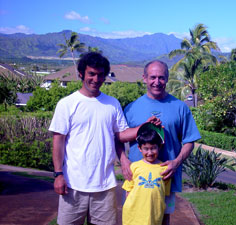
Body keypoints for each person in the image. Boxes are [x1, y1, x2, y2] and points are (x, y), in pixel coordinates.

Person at [49, 52, 159, 225]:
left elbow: (121, 135)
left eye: (100, 74)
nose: (96, 78)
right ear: (81, 74)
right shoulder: (67, 104)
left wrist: (144, 126)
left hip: (105, 186)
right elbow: (58, 140)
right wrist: (58, 174)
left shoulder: (112, 103)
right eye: (91, 73)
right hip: (73, 184)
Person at [123, 60, 201, 224]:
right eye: (152, 77)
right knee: (134, 217)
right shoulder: (131, 108)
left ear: (167, 78)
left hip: (166, 179)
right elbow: (119, 137)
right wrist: (123, 161)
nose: (156, 82)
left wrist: (176, 162)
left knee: (163, 219)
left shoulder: (180, 107)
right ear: (144, 78)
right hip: (137, 179)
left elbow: (189, 141)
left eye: (161, 77)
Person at [122, 122, 171, 225]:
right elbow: (128, 192)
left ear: (159, 147)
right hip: (133, 216)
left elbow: (164, 194)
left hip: (154, 216)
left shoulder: (165, 169)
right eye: (146, 149)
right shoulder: (134, 167)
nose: (150, 152)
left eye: (153, 148)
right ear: (140, 148)